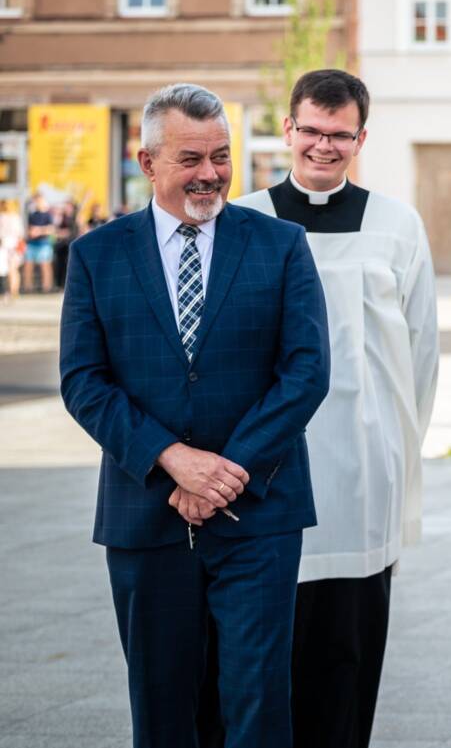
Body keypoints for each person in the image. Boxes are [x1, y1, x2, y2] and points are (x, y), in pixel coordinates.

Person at [59, 83, 331, 748]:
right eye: (191, 158)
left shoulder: (281, 245)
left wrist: (228, 470)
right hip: (146, 515)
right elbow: (83, 381)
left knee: (258, 701)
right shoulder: (99, 254)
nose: (210, 173)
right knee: (161, 706)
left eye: (222, 156)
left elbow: (307, 371)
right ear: (147, 161)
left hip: (259, 515)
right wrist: (172, 459)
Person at [233, 69, 439, 748]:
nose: (324, 146)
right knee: (264, 660)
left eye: (339, 135)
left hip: (362, 472)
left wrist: (397, 453)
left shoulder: (396, 225)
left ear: (361, 138)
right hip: (263, 471)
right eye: (311, 131)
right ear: (287, 129)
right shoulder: (246, 221)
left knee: (347, 656)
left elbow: (421, 351)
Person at [23, 194, 53, 292]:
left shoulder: (48, 215)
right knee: (28, 266)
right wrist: (31, 232)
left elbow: (51, 229)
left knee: (45, 266)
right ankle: (28, 288)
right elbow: (28, 229)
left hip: (43, 244)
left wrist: (39, 231)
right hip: (31, 243)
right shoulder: (32, 215)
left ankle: (47, 287)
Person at [0, 198, 22, 301]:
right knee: (11, 270)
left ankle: (9, 291)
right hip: (11, 245)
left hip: (7, 245)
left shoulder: (4, 217)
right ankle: (12, 291)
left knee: (8, 270)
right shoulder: (15, 217)